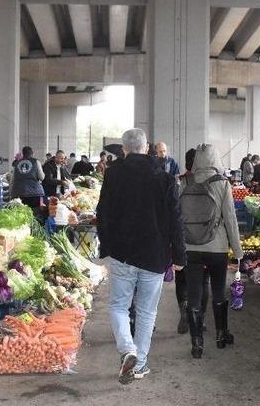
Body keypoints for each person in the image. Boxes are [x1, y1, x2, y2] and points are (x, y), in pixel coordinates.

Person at [96, 128, 185, 384]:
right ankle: (140, 363)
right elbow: (176, 220)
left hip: (123, 253)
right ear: (146, 148)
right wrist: (179, 255)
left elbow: (103, 213)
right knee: (147, 312)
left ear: (124, 149)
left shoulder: (113, 174)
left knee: (118, 306)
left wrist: (106, 246)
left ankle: (128, 350)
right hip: (155, 255)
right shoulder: (166, 178)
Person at [179, 144, 241, 358]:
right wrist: (238, 252)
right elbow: (231, 220)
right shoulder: (222, 184)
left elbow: (177, 217)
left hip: (190, 247)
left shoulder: (184, 181)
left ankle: (197, 344)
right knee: (218, 291)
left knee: (194, 295)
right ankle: (221, 336)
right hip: (217, 248)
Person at [175, 148, 210, 335]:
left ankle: (184, 309)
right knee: (203, 280)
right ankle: (200, 319)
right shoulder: (211, 183)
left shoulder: (179, 182)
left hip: (183, 240)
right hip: (205, 240)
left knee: (182, 278)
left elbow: (172, 212)